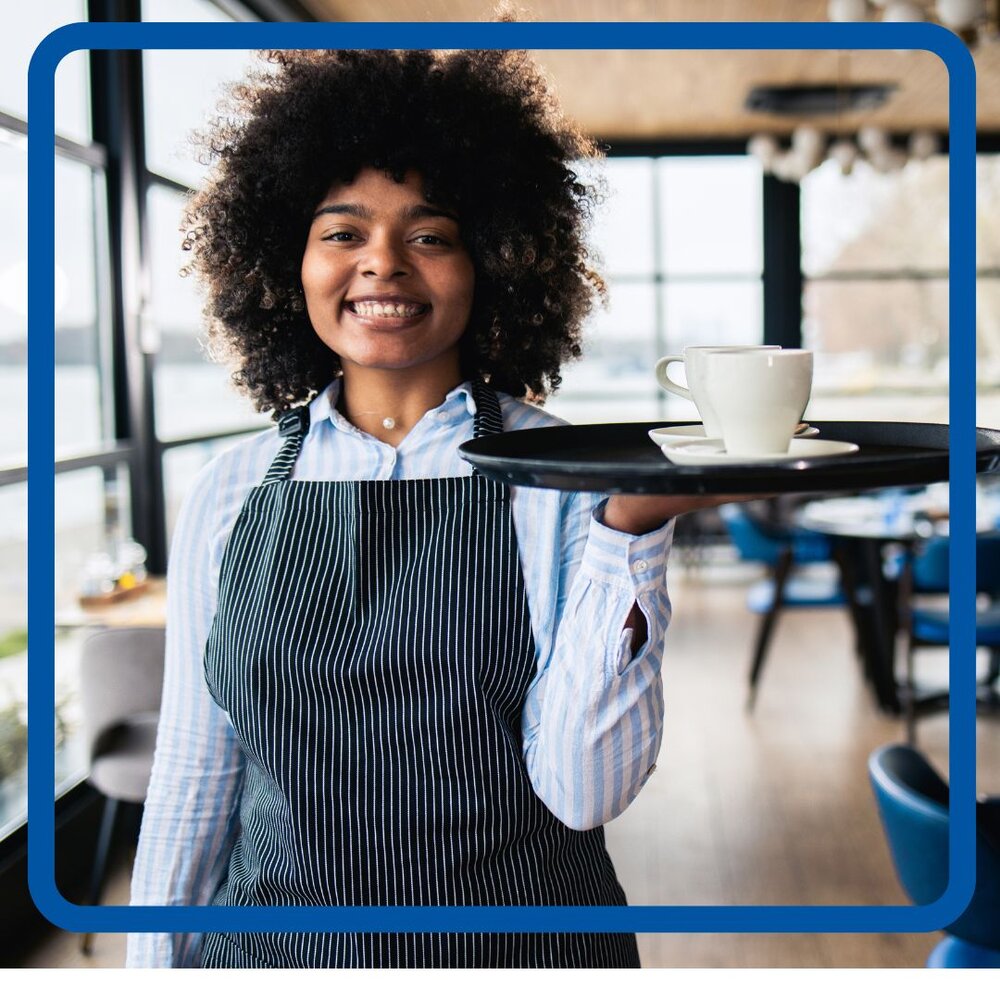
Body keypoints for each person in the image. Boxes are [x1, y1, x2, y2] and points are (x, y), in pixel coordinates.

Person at [126, 45, 725, 970]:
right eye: (342, 233)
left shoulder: (561, 474)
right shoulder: (230, 491)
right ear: (284, 262)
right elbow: (195, 776)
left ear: (492, 260)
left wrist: (629, 531)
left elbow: (583, 792)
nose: (383, 265)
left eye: (430, 236)